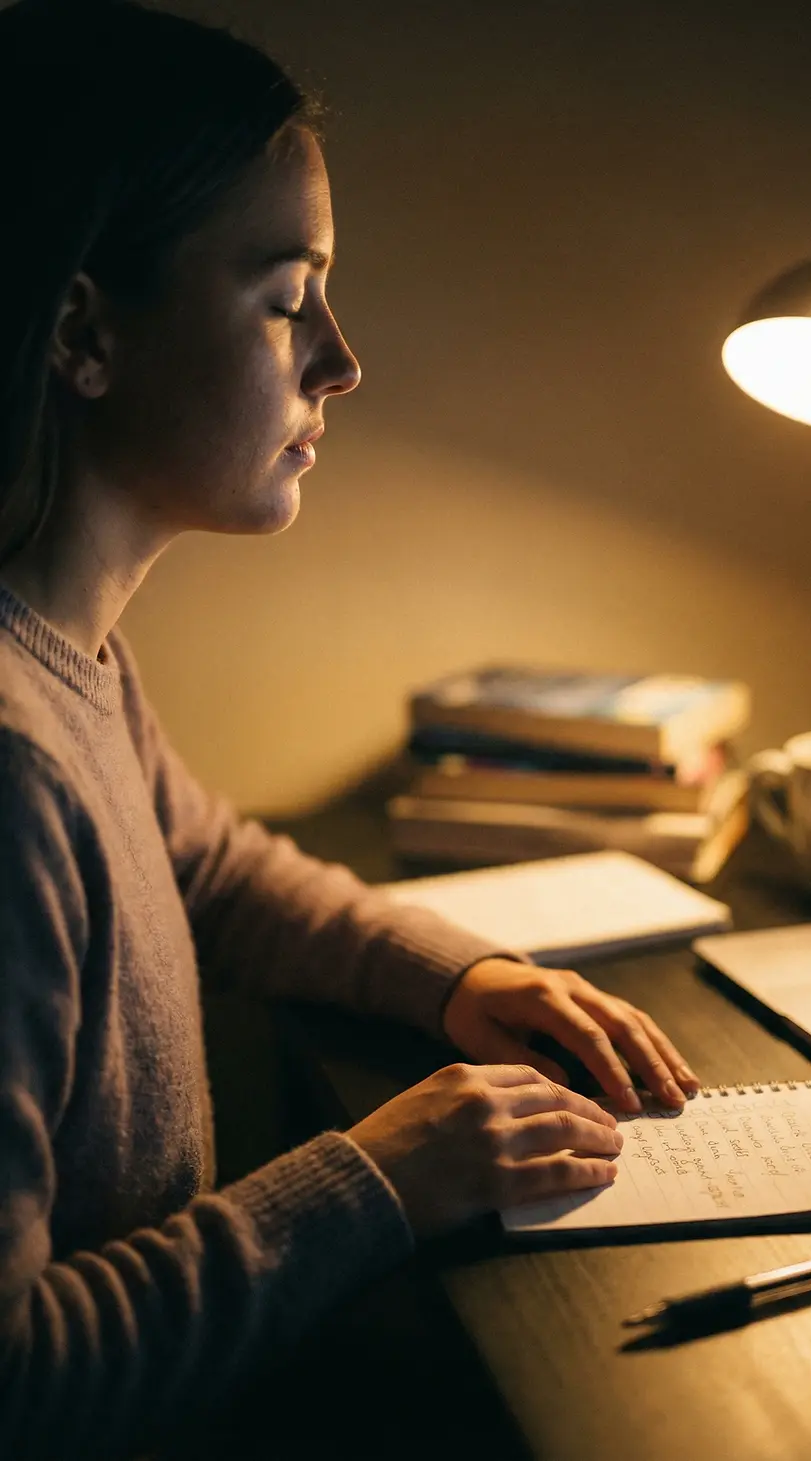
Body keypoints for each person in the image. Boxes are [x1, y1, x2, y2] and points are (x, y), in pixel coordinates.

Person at [0, 1, 701, 1456]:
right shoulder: (7, 775)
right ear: (82, 331)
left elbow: (214, 873)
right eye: (286, 295)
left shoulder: (74, 663)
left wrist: (466, 977)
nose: (341, 360)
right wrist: (375, 1179)